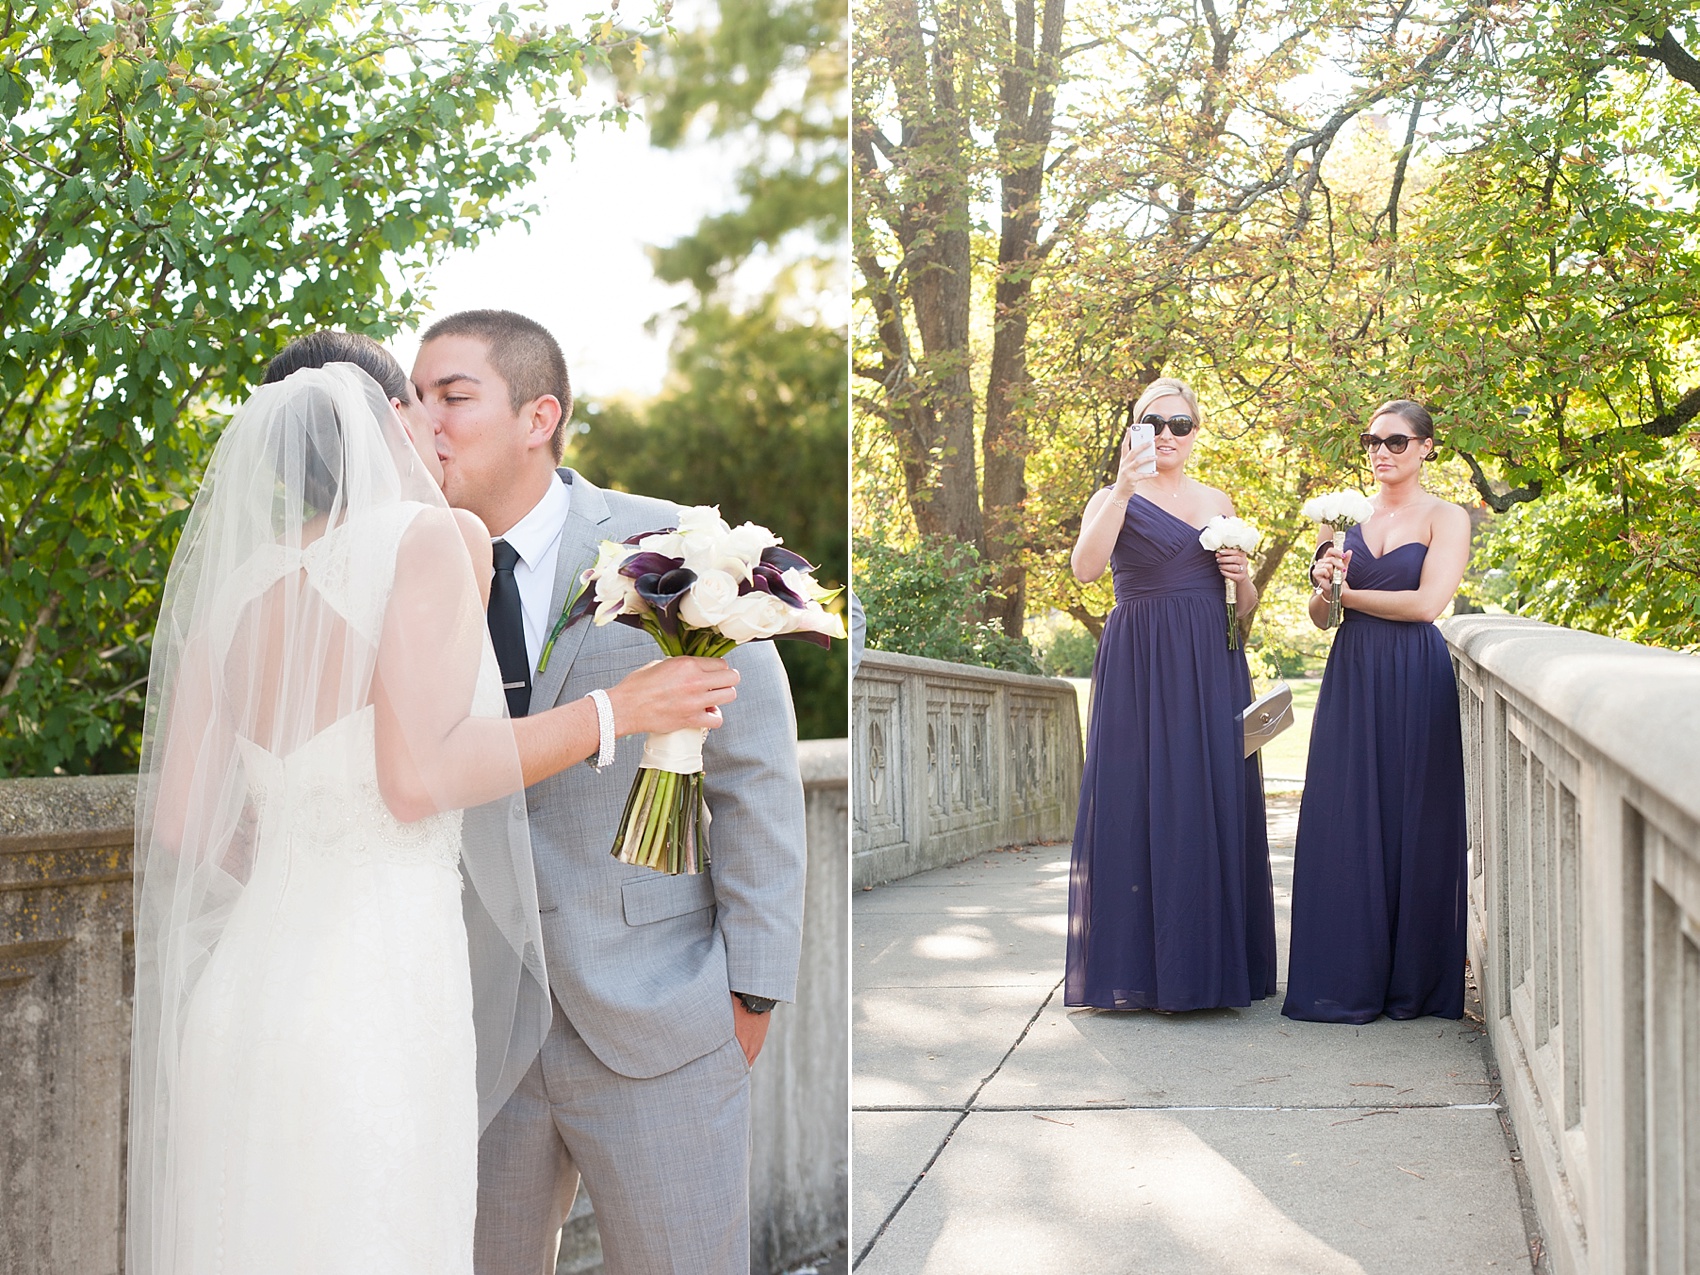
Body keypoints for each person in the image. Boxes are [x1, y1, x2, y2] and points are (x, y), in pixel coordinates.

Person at [127, 334, 739, 1275]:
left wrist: (308, 859)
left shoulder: (233, 594)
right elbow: (417, 777)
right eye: (416, 401)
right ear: (385, 424)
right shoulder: (430, 536)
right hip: (370, 992)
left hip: (245, 994)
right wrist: (619, 708)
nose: (432, 422)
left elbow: (181, 821)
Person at [409, 310, 809, 1275]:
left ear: (538, 414)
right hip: (468, 1031)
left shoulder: (673, 548)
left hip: (662, 1018)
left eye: (453, 397)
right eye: (415, 397)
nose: (426, 421)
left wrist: (748, 993)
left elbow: (754, 771)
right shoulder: (401, 564)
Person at [1064, 377, 1277, 1012]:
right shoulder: (1112, 495)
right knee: (1138, 796)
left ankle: (1210, 968)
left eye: (1180, 425)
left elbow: (1244, 615)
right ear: (1134, 429)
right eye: (1154, 423)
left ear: (1196, 432)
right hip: (1140, 661)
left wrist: (1242, 581)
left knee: (1211, 794)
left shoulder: (1219, 498)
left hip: (1214, 662)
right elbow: (1085, 570)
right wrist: (1125, 489)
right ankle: (1140, 971)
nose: (1167, 435)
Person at [1282, 399, 1472, 1024]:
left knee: (1412, 818)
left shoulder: (1447, 516)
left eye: (1395, 441)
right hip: (1353, 674)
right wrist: (1323, 585)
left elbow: (1426, 605)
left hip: (1415, 675)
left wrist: (1344, 591)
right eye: (1372, 441)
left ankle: (1412, 984)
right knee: (1345, 815)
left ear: (1426, 448)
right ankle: (1346, 975)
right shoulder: (1342, 522)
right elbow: (1324, 619)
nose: (1381, 452)